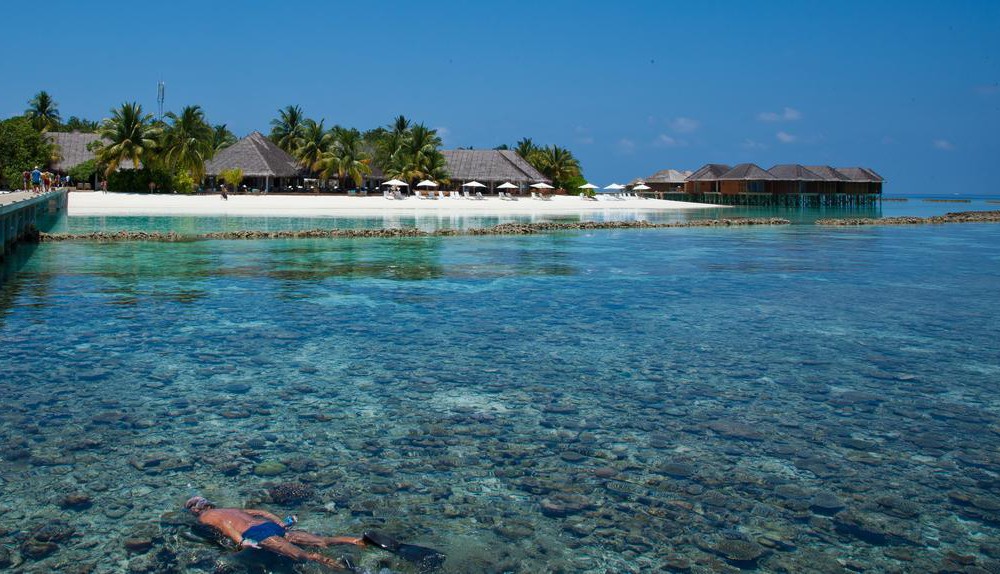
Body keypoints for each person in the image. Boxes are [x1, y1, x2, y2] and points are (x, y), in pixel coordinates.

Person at [184, 496, 444, 571]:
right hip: (272, 527)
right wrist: (282, 524)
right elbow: (262, 511)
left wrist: (241, 541)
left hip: (259, 535)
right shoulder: (230, 508)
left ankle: (350, 570)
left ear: (197, 509)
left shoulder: (206, 517)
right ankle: (358, 541)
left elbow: (227, 528)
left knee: (306, 556)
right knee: (323, 541)